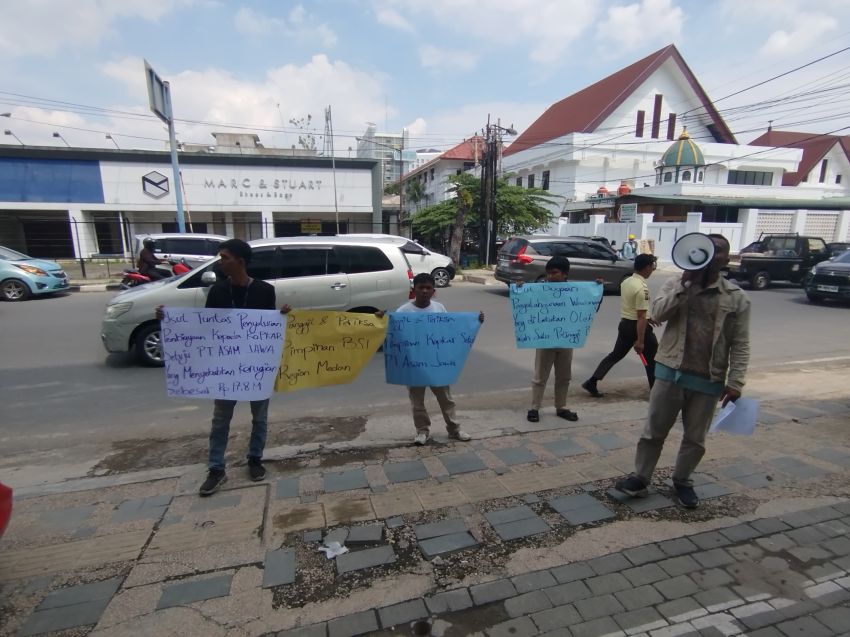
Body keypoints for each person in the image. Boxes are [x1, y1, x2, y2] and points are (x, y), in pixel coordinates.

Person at [614, 235, 751, 509]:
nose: (711, 255)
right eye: (707, 248)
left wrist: (736, 381)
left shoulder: (736, 298)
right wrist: (685, 287)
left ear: (726, 259)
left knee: (695, 439)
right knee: (653, 432)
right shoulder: (675, 284)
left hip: (708, 379)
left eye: (718, 250)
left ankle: (682, 481)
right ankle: (641, 477)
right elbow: (657, 314)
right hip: (669, 371)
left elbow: (740, 343)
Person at [157, 238, 277, 496]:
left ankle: (255, 459)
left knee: (260, 418)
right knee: (221, 420)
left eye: (225, 258)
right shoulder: (218, 292)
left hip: (256, 368)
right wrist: (169, 320)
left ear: (240, 261)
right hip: (226, 368)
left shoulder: (265, 290)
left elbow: (271, 328)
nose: (220, 263)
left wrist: (284, 316)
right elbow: (205, 327)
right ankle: (216, 469)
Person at [392, 272, 484, 445]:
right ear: (414, 289)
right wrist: (380, 319)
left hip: (437, 363)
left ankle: (454, 429)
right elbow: (394, 334)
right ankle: (422, 431)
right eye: (421, 287)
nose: (425, 291)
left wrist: (475, 321)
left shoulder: (439, 308)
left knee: (446, 399)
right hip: (414, 365)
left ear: (433, 290)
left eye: (428, 288)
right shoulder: (403, 311)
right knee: (417, 401)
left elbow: (450, 330)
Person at [582, 254, 659, 397]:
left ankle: (592, 381)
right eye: (652, 267)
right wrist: (640, 340)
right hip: (638, 327)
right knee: (651, 359)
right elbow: (640, 316)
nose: (652, 270)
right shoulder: (642, 288)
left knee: (615, 355)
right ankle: (656, 392)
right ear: (647, 267)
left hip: (625, 325)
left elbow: (633, 308)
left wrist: (649, 318)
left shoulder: (627, 282)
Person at [527, 256, 585, 424]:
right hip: (545, 340)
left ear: (565, 274)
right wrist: (520, 289)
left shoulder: (575, 291)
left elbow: (590, 303)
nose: (550, 277)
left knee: (564, 377)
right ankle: (534, 407)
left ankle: (561, 407)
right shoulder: (541, 290)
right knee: (540, 376)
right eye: (548, 274)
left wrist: (597, 288)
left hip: (566, 340)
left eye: (554, 273)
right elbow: (526, 301)